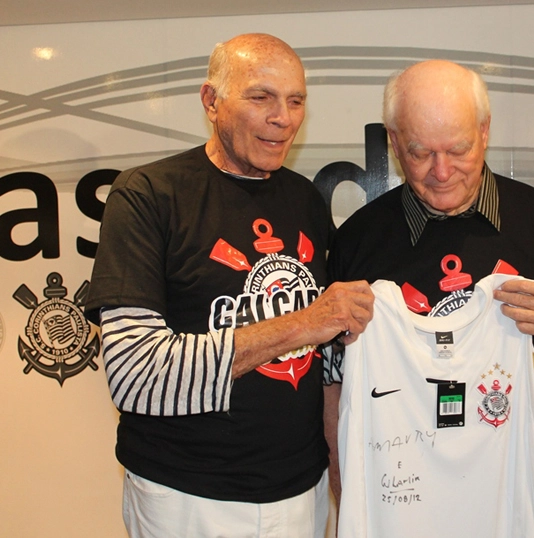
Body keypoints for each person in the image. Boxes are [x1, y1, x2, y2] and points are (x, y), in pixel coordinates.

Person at [324, 60, 534, 537]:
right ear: (392, 142)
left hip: (526, 504)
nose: (442, 171)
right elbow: (333, 381)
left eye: (459, 149)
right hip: (408, 510)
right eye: (420, 152)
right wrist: (349, 482)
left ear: (485, 133)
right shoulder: (358, 241)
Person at [85, 33, 373, 538]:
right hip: (186, 497)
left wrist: (338, 468)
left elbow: (324, 362)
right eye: (261, 97)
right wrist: (304, 322)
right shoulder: (149, 195)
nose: (282, 117)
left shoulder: (304, 199)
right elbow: (135, 375)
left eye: (296, 100)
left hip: (300, 493)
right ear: (211, 101)